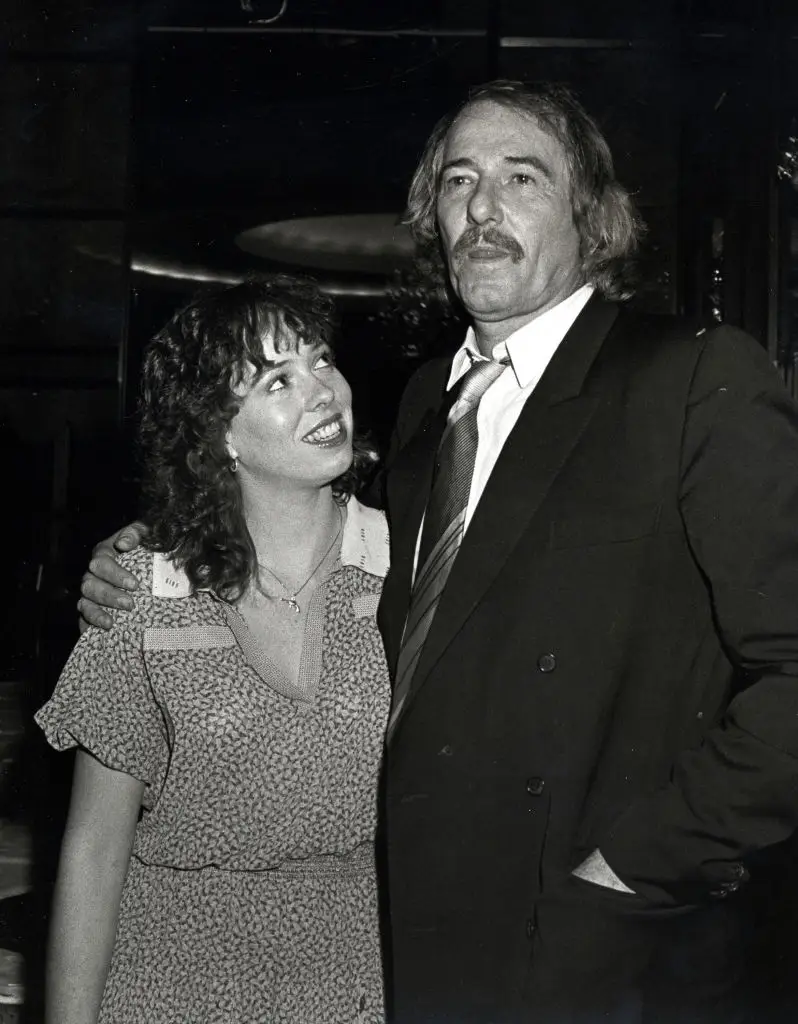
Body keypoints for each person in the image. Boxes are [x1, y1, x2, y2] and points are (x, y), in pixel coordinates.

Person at [78, 81, 798, 1023]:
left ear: (593, 217)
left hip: (601, 949)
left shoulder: (692, 378)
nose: (483, 207)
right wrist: (150, 547)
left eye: (521, 177)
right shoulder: (429, 406)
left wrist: (635, 863)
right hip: (417, 945)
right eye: (459, 181)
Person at [37, 275, 390, 1024]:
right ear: (219, 434)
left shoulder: (408, 569)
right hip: (168, 988)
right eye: (277, 380)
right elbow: (94, 851)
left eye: (322, 360)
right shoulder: (142, 592)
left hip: (357, 986)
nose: (321, 391)